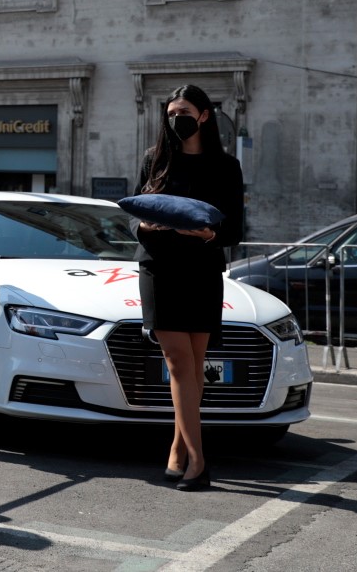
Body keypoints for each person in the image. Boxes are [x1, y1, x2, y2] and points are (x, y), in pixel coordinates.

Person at [135, 84, 244, 492]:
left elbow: (234, 228)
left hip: (201, 270)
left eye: (183, 111)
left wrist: (207, 235)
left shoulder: (226, 166)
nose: (174, 117)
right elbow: (135, 213)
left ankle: (177, 452)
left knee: (196, 368)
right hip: (160, 270)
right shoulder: (154, 159)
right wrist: (143, 225)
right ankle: (199, 462)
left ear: (203, 115)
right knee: (180, 363)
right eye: (170, 111)